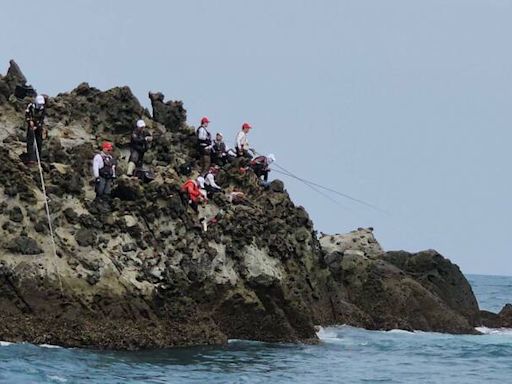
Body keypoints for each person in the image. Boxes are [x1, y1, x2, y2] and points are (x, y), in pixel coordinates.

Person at [25, 94, 46, 164]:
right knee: (30, 141)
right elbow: (27, 114)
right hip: (31, 125)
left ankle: (38, 158)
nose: (40, 105)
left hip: (38, 126)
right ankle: (31, 158)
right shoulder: (30, 106)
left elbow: (42, 119)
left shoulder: (43, 109)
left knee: (39, 142)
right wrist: (29, 121)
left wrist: (37, 127)